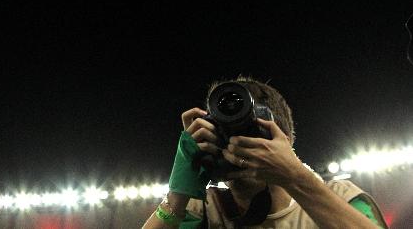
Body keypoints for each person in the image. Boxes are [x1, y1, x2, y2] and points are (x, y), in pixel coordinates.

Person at [142, 76, 386, 228]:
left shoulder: (341, 198)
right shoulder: (205, 210)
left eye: (250, 134)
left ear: (285, 141)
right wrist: (178, 194)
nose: (234, 146)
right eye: (223, 134)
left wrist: (294, 176)